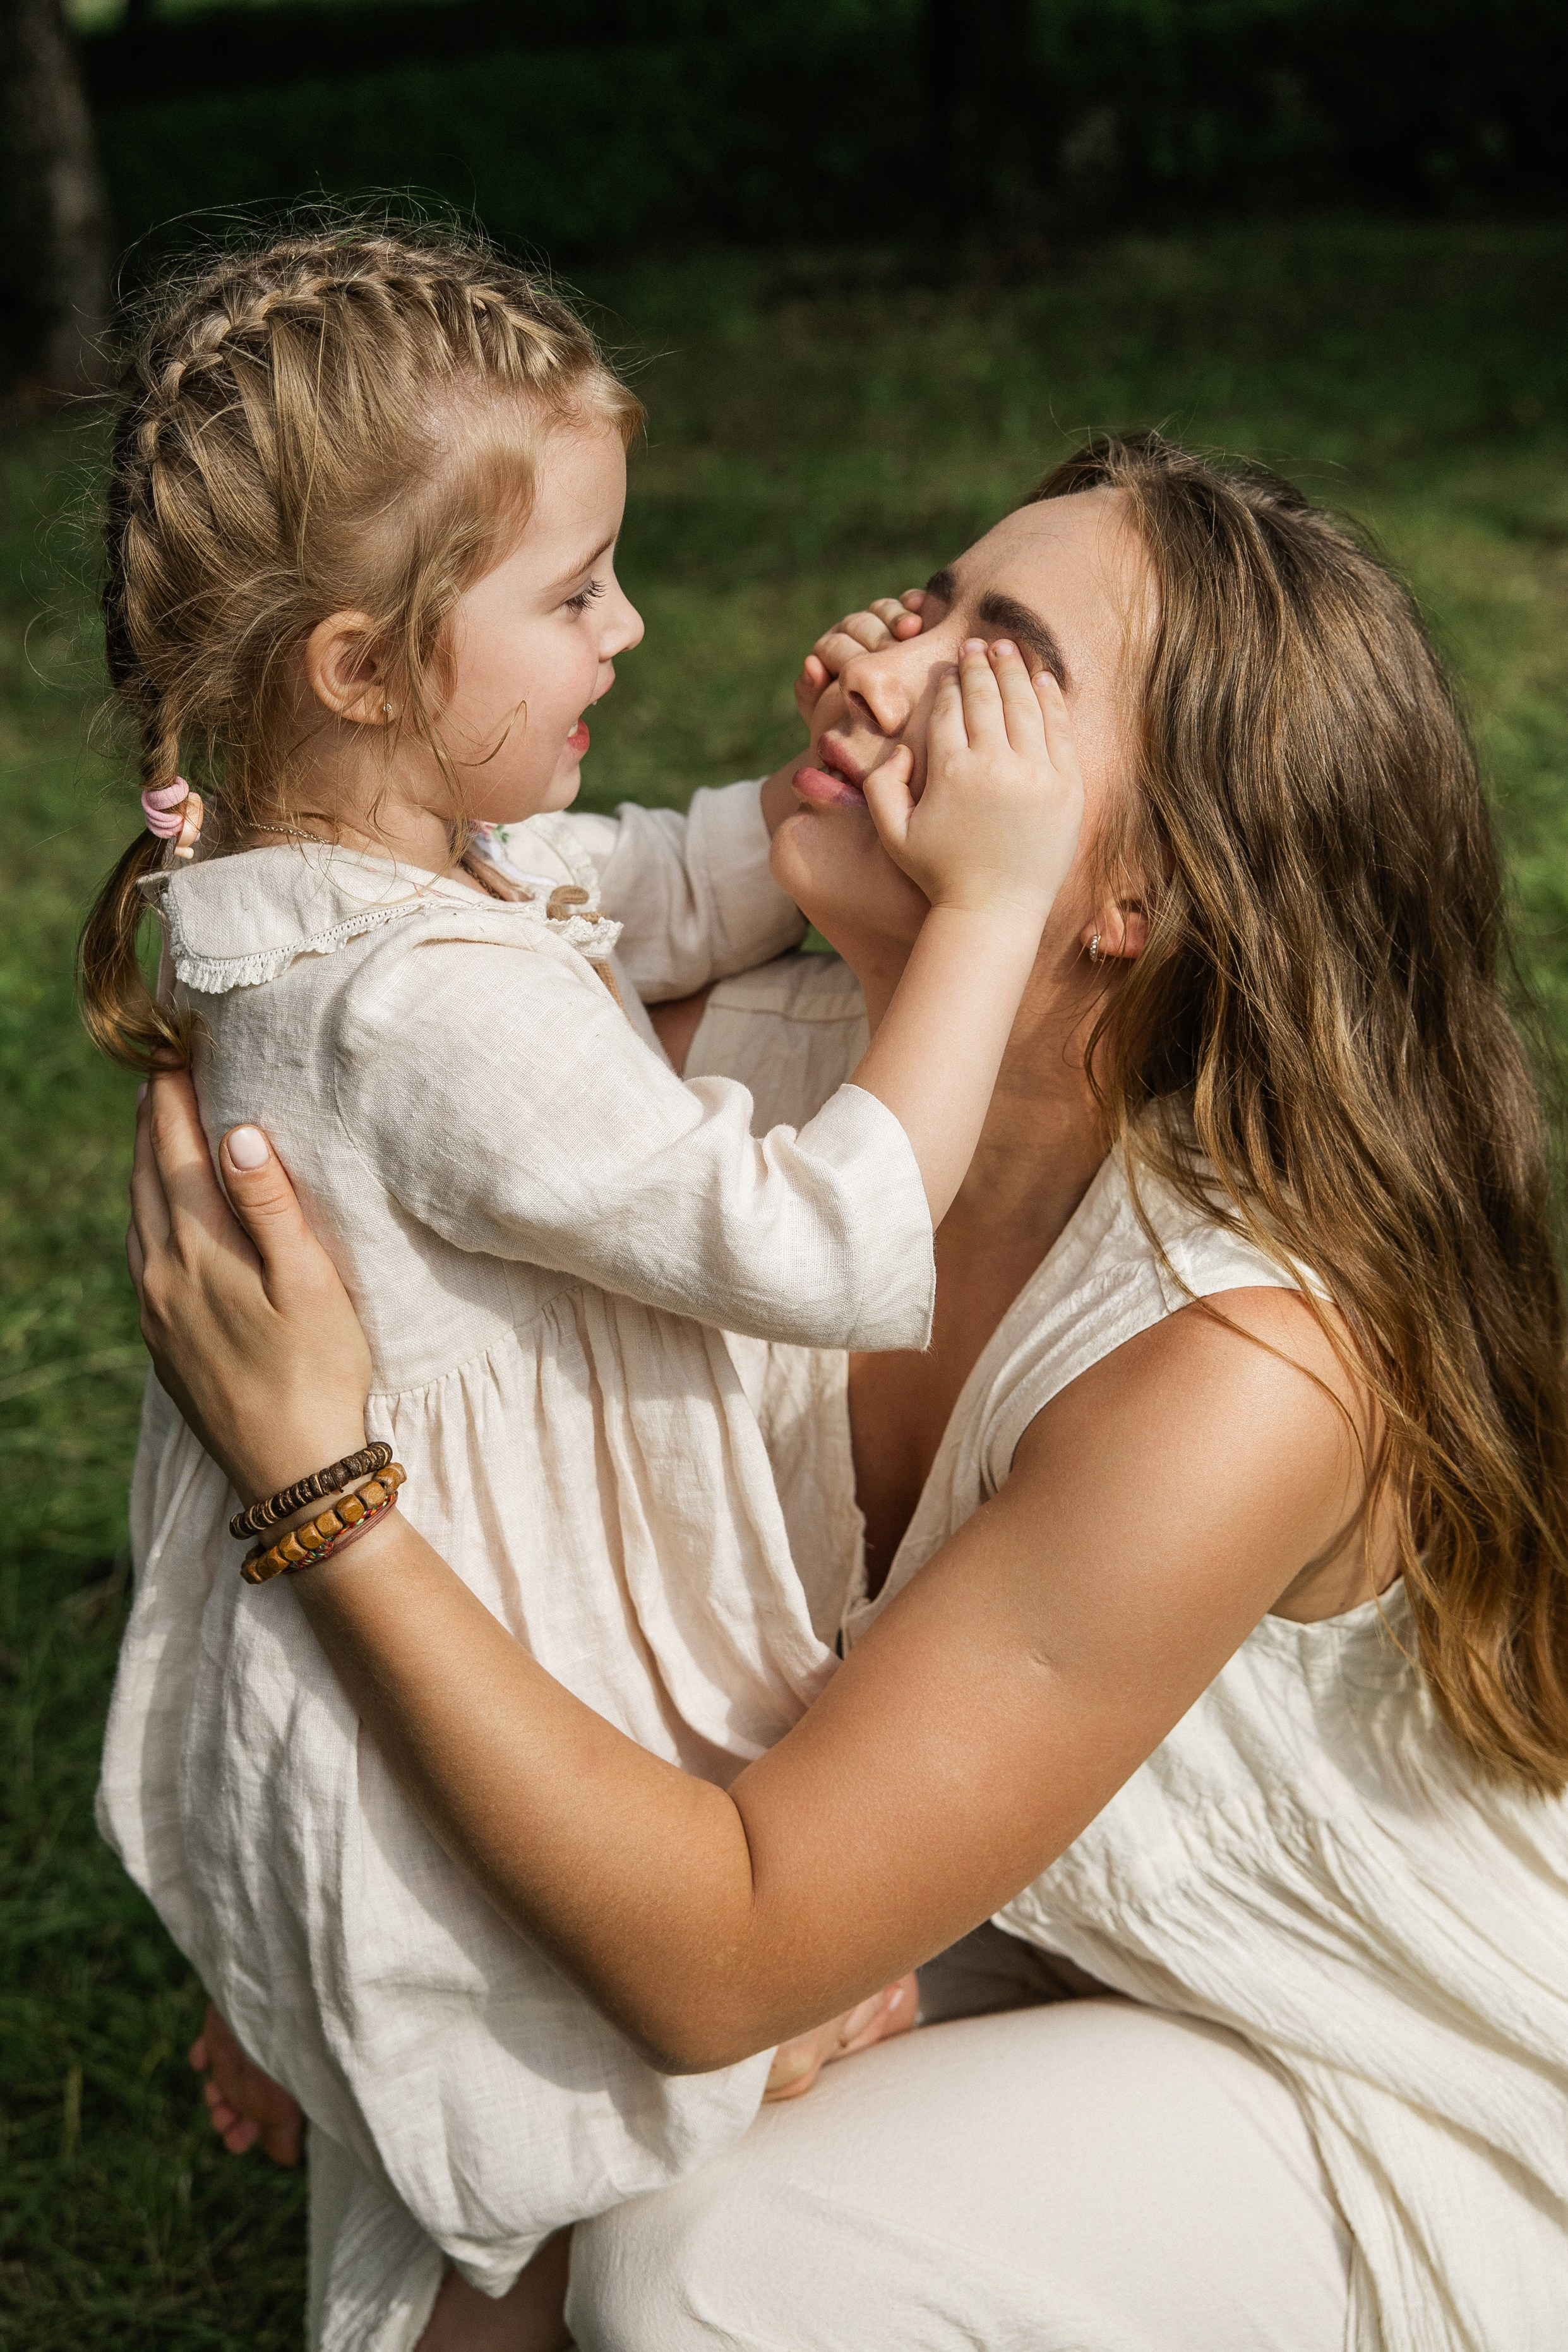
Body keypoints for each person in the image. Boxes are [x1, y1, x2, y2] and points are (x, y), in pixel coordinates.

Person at [129, 433, 1568, 2352]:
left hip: (1339, 2064)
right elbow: (330, 1081)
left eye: (995, 665)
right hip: (984, 1933)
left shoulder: (1235, 1363)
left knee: (721, 2264)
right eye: (927, 598)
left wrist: (320, 1494)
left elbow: (716, 1950)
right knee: (531, 2221)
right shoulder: (712, 1100)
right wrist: (309, 1918)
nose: (865, 667)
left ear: (1128, 886)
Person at [84, 222, 1084, 2352]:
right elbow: (808, 1243)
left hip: (410, 1616)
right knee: (543, 2194)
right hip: (516, 1656)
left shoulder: (364, 881)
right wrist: (986, 910)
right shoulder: (417, 1011)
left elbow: (643, 877)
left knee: (543, 2180)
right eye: (570, 595)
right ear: (363, 668)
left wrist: (824, 760)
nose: (628, 626)